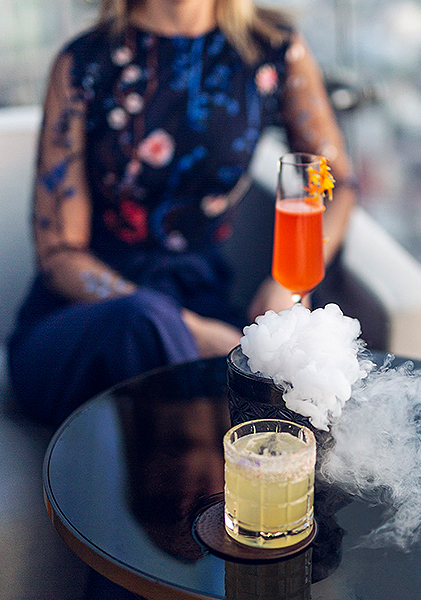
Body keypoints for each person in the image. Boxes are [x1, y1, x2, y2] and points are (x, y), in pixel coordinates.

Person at [7, 0, 356, 428]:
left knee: (290, 381)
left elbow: (337, 183)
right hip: (86, 322)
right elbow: (58, 254)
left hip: (202, 300)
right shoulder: (85, 62)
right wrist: (183, 328)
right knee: (146, 324)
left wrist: (288, 281)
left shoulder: (271, 49)